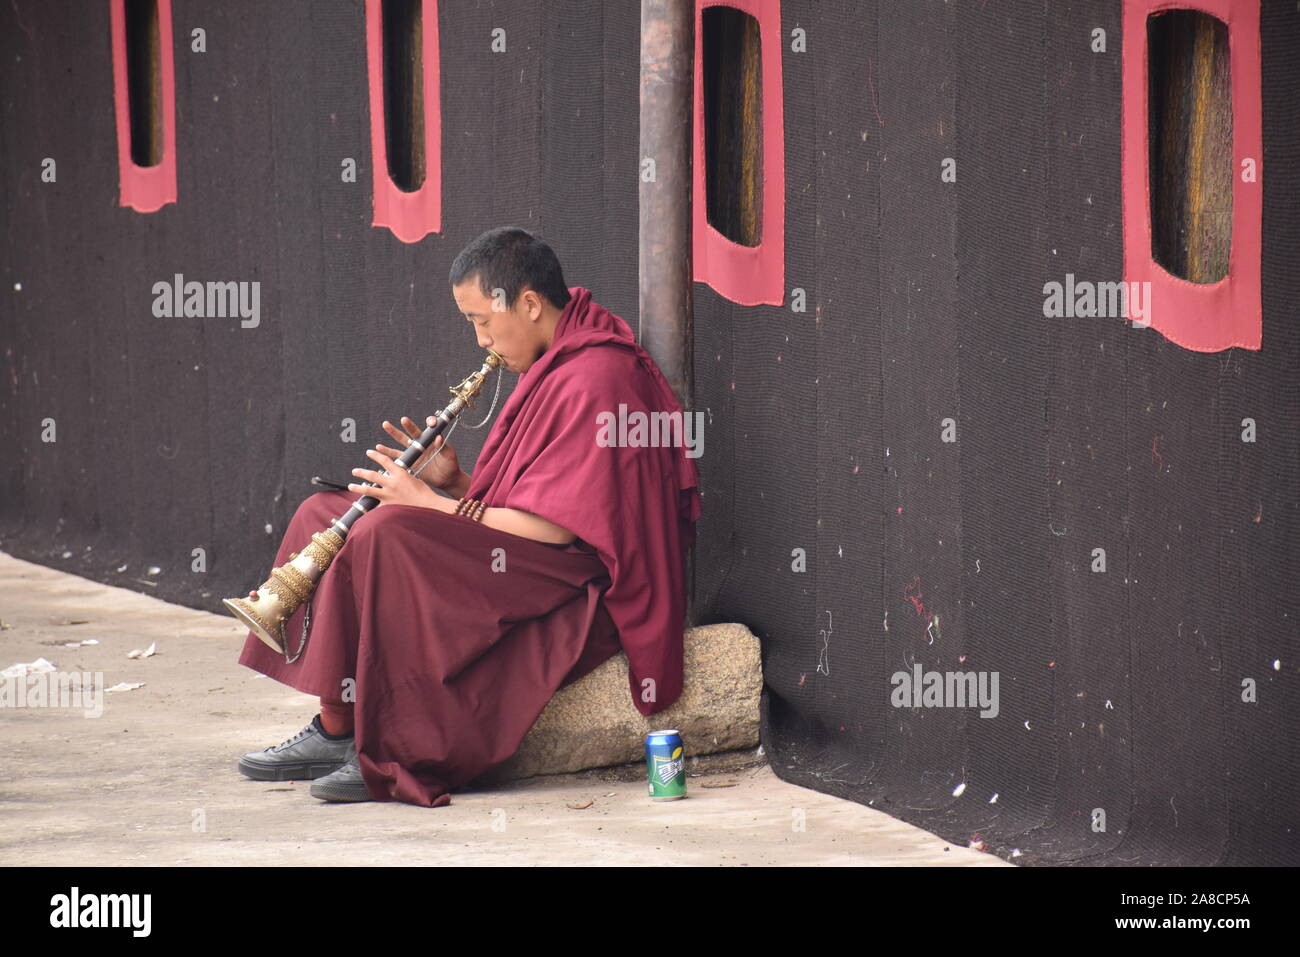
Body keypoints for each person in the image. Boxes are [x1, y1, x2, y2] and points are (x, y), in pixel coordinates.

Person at [234, 226, 702, 806]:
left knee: (386, 531)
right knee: (323, 513)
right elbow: (524, 495)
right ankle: (338, 724)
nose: (481, 339)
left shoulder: (598, 375)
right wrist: (452, 482)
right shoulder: (553, 357)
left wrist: (428, 504)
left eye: (483, 321)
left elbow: (556, 528)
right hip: (522, 547)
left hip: (565, 576)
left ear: (529, 304)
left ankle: (397, 745)